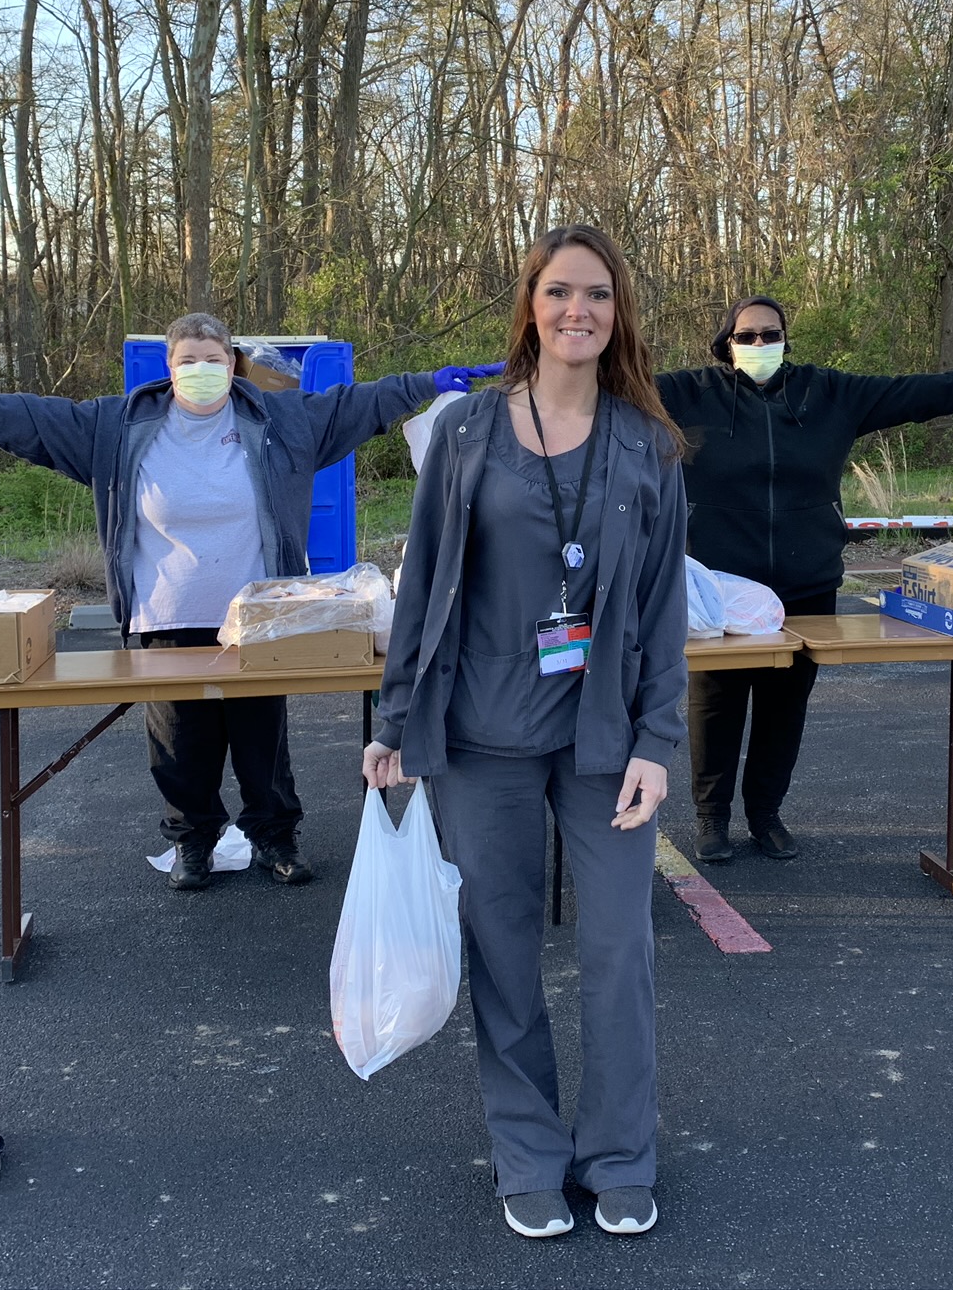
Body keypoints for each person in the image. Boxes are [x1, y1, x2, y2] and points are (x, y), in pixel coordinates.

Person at [363, 225, 687, 1240]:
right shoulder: (466, 430)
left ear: (618, 313)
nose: (576, 310)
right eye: (558, 292)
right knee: (501, 953)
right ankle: (529, 1153)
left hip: (604, 739)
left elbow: (665, 605)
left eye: (597, 294)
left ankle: (620, 1154)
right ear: (530, 306)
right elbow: (423, 583)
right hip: (481, 736)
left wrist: (658, 741)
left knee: (619, 951)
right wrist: (393, 719)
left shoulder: (647, 443)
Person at [0, 315, 499, 890]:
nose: (201, 370)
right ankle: (192, 842)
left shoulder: (281, 421)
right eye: (188, 361)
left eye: (213, 360)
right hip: (166, 618)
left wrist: (427, 383)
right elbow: (28, 418)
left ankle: (275, 836)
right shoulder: (117, 426)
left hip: (260, 619)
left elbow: (357, 404)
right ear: (169, 368)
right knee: (178, 744)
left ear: (232, 364)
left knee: (261, 741)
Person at [655, 299, 953, 862]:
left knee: (784, 707)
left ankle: (766, 815)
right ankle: (711, 818)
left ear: (786, 339)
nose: (760, 344)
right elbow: (606, 383)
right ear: (727, 343)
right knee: (716, 703)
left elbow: (913, 393)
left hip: (806, 582)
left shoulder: (827, 393)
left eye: (771, 334)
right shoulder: (686, 394)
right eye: (747, 336)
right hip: (722, 588)